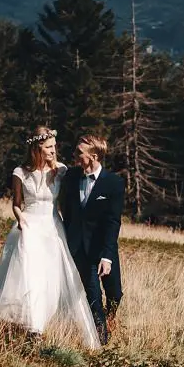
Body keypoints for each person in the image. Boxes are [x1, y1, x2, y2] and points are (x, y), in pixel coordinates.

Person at [0, 126, 101, 350]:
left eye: (54, 147)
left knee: (51, 277)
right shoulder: (20, 172)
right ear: (37, 149)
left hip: (51, 227)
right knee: (32, 276)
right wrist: (20, 219)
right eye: (48, 147)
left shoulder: (61, 170)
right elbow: (16, 204)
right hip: (29, 226)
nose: (53, 151)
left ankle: (45, 324)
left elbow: (68, 201)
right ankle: (34, 328)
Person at [58, 134, 124, 345]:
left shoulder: (114, 183)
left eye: (80, 152)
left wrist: (107, 257)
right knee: (93, 296)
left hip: (104, 249)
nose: (75, 155)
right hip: (80, 249)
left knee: (115, 293)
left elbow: (113, 222)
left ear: (93, 156)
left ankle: (110, 316)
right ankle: (102, 341)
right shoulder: (70, 177)